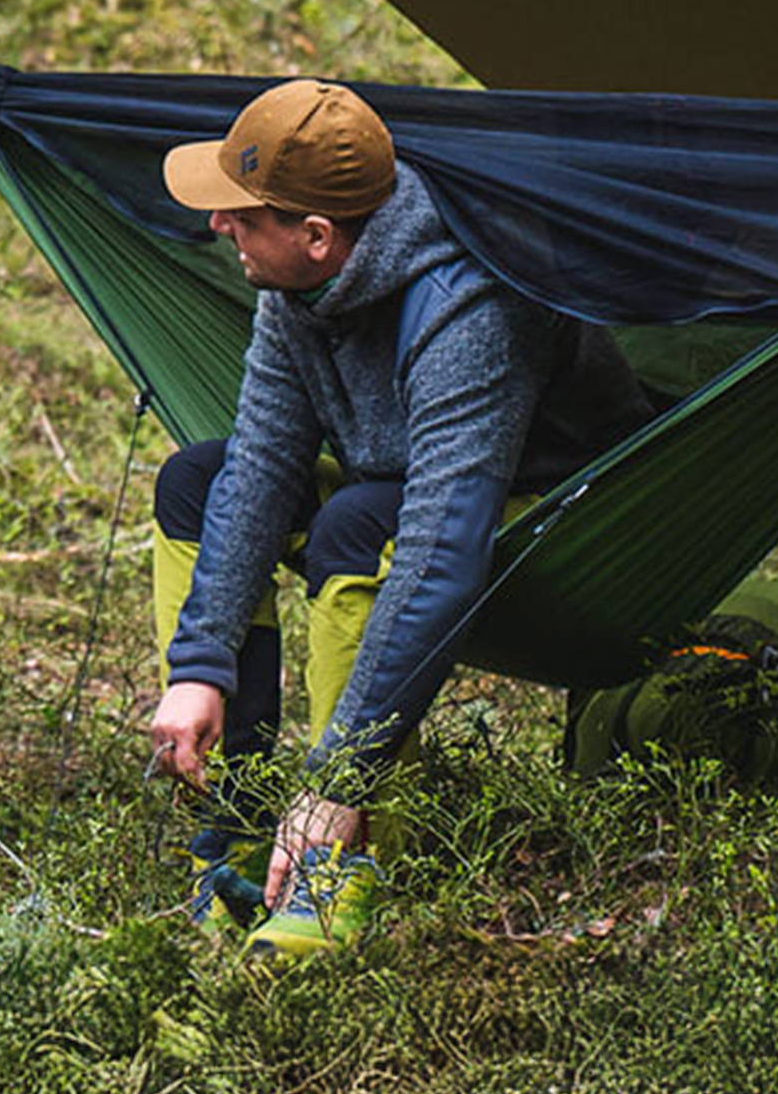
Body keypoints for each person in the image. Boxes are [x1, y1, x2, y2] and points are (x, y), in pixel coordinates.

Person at [147, 77, 649, 957]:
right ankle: (242, 824)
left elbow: (441, 546)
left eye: (241, 214)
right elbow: (264, 461)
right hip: (404, 480)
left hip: (563, 515)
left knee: (360, 527)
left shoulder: (472, 305)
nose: (221, 226)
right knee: (199, 479)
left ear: (316, 235)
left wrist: (340, 774)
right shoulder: (296, 286)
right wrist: (201, 665)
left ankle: (341, 866)